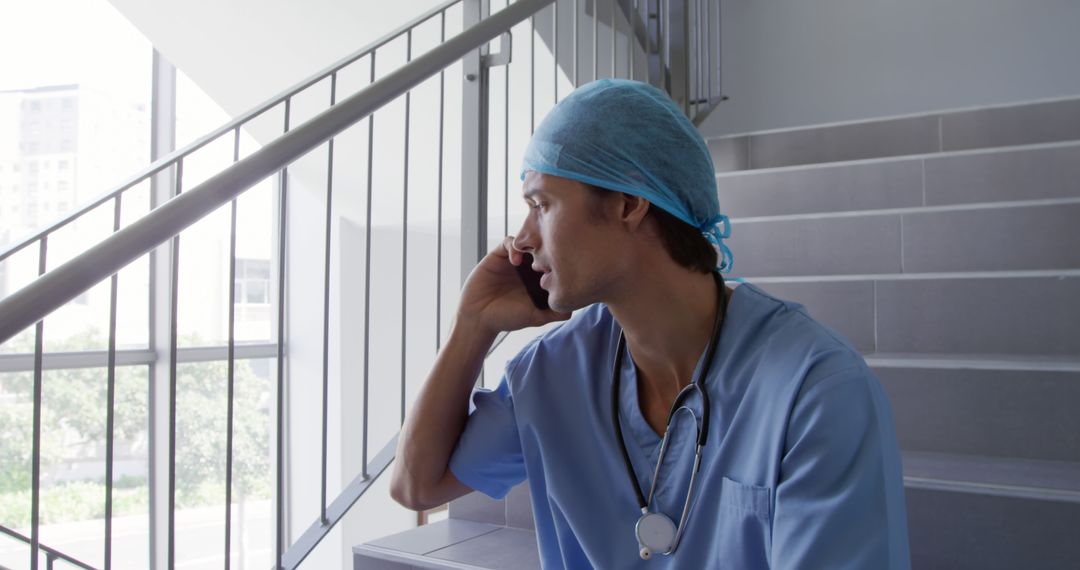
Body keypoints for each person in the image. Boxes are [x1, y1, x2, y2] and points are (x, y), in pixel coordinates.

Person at [390, 79, 910, 569]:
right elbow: (418, 486)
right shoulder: (551, 374)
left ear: (628, 203)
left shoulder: (814, 392)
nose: (521, 239)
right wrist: (472, 324)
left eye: (542, 204)